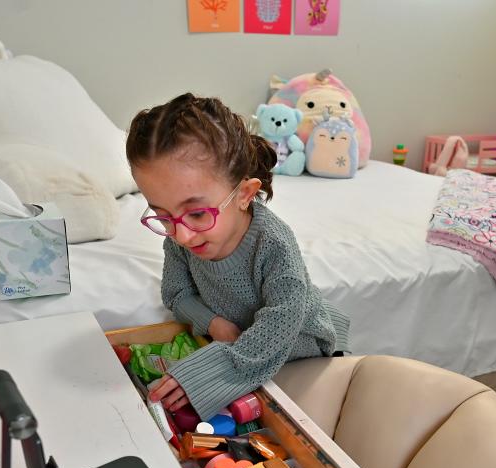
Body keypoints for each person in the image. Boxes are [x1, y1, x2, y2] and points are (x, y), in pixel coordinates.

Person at [125, 93, 349, 420]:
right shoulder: (179, 235)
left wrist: (207, 373)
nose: (183, 236)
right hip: (240, 341)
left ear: (244, 194)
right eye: (163, 217)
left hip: (301, 350)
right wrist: (214, 324)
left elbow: (283, 319)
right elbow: (175, 293)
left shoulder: (273, 242)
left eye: (198, 214)